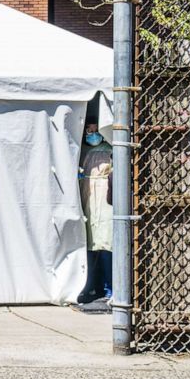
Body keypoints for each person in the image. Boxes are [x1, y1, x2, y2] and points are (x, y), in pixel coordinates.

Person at [76, 120, 113, 312]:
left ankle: (109, 288)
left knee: (106, 243)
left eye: (94, 130)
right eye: (88, 131)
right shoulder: (81, 151)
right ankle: (89, 285)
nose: (91, 134)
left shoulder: (111, 150)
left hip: (104, 202)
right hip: (88, 200)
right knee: (89, 244)